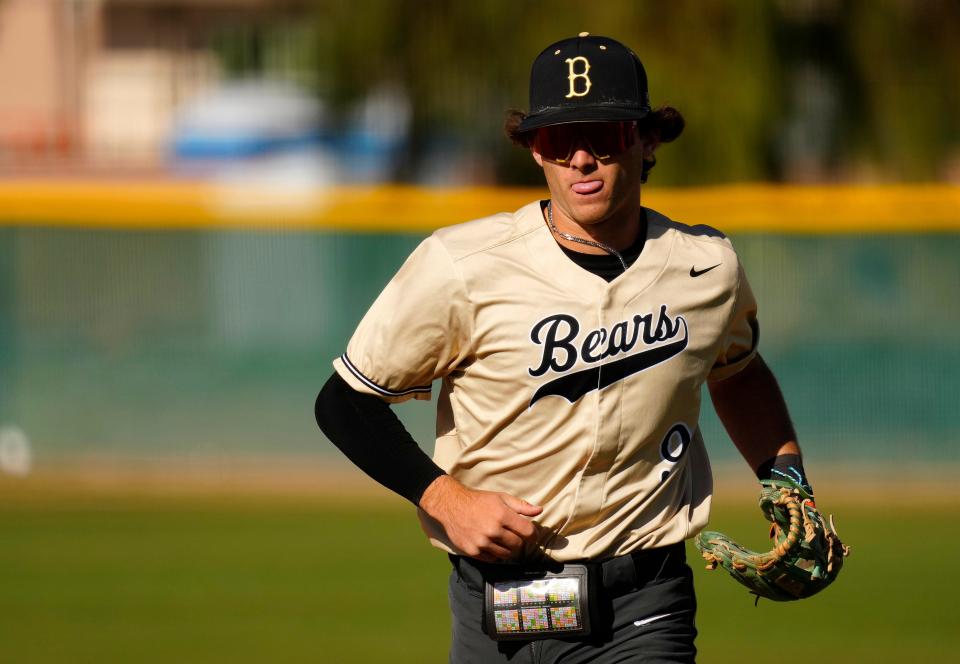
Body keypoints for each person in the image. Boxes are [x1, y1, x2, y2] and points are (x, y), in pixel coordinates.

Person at [316, 32, 812, 663]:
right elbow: (344, 403)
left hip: (644, 603)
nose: (582, 157)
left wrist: (787, 478)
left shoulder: (705, 267)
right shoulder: (463, 266)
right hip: (493, 604)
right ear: (535, 151)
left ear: (648, 140)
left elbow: (736, 371)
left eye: (604, 136)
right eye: (559, 137)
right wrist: (446, 499)